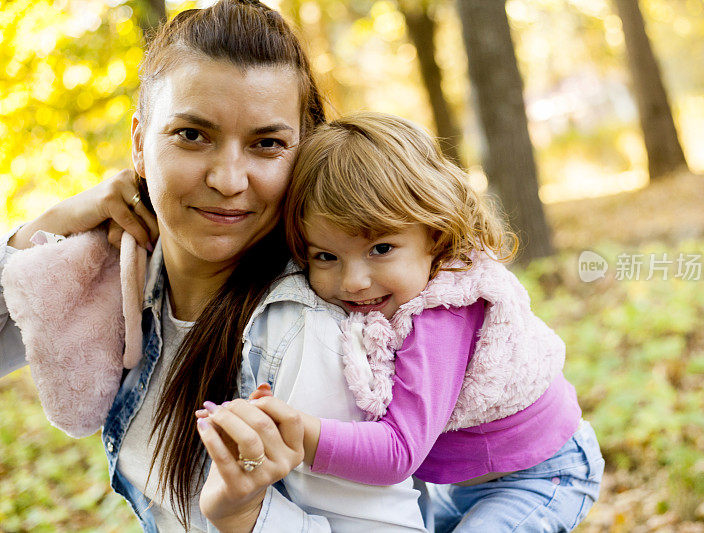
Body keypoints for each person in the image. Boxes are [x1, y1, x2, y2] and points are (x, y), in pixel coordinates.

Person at [0, 2, 427, 532]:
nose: (228, 179)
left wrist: (246, 516)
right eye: (192, 135)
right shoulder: (119, 270)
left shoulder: (303, 333)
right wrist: (48, 224)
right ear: (139, 142)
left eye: (266, 144)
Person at [271, 112, 605, 531]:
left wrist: (299, 430)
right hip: (466, 483)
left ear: (435, 232)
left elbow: (398, 451)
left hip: (540, 475)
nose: (354, 282)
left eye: (381, 248)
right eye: (326, 256)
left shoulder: (443, 313)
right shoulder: (393, 292)